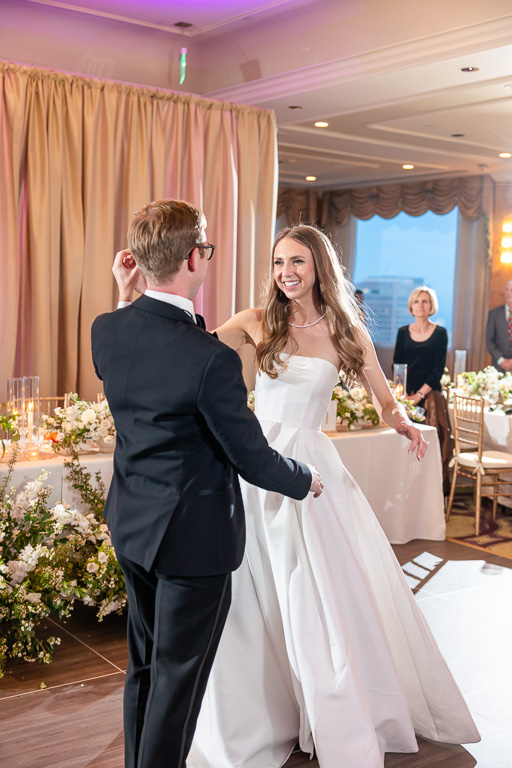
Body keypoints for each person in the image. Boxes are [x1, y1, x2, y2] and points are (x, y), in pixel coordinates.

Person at [115, 224, 479, 768]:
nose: (286, 272)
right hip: (249, 465)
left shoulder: (346, 331)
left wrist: (403, 422)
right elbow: (182, 353)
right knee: (246, 598)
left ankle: (324, 704)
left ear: (319, 269)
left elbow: (384, 398)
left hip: (309, 473)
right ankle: (256, 710)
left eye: (298, 262)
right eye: (280, 261)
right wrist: (129, 299)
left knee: (311, 596)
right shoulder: (255, 322)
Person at [91, 200, 323, 768]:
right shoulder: (208, 359)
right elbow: (252, 458)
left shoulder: (108, 329)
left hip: (133, 527)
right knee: (178, 683)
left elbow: (141, 352)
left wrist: (127, 294)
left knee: (145, 665)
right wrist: (307, 478)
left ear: (140, 260)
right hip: (193, 542)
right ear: (194, 258)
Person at [393, 286, 454, 495]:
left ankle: (431, 491)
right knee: (403, 441)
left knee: (433, 441)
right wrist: (404, 397)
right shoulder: (402, 332)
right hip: (405, 396)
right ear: (411, 305)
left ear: (431, 307)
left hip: (431, 397)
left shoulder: (440, 333)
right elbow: (397, 366)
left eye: (425, 301)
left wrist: (419, 396)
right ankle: (406, 489)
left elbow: (438, 370)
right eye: (417, 301)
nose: (421, 305)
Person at [486, 280, 512, 371]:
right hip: (498, 367)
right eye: (506, 290)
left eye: (511, 290)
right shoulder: (494, 314)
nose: (509, 293)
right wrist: (501, 360)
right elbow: (489, 340)